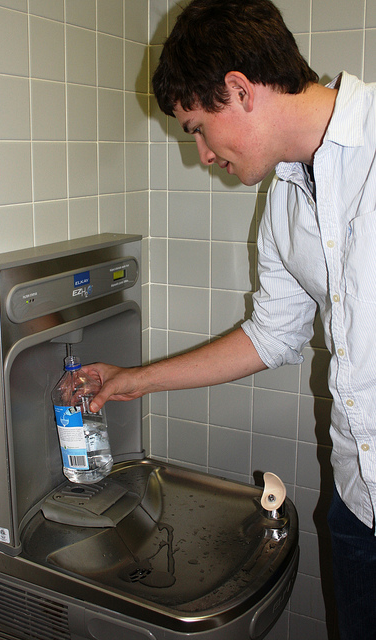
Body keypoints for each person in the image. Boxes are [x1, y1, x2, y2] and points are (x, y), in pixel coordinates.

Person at [85, 1, 376, 637]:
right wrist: (133, 381)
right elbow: (272, 335)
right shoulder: (284, 207)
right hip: (359, 506)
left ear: (239, 90)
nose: (200, 154)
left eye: (195, 126)